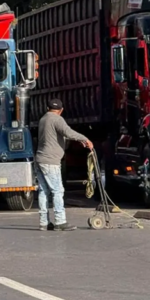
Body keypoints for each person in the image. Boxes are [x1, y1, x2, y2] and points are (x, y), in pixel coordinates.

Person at [35, 98, 92, 231]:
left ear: (47, 108)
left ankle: (44, 222)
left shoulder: (43, 119)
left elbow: (58, 135)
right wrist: (85, 139)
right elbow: (68, 132)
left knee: (44, 191)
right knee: (58, 190)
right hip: (50, 161)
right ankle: (60, 221)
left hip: (40, 158)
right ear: (61, 110)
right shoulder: (57, 119)